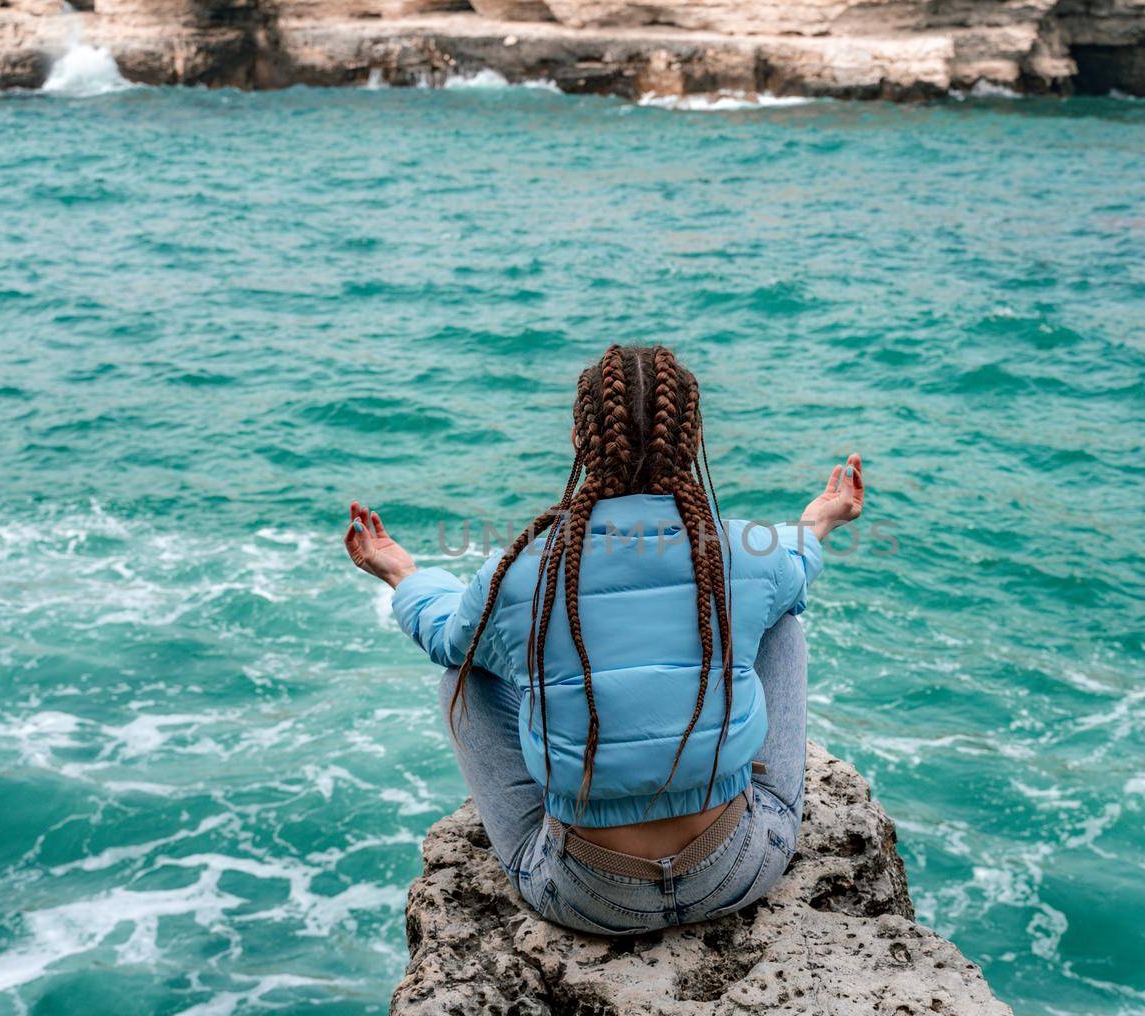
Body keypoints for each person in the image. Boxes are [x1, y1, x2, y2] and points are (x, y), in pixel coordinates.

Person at [343, 344, 864, 934]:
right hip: (738, 869)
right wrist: (818, 521)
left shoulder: (522, 573)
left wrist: (403, 576)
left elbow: (447, 639)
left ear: (582, 440)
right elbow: (792, 567)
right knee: (781, 621)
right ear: (691, 439)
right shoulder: (746, 553)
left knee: (467, 673)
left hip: (587, 897)